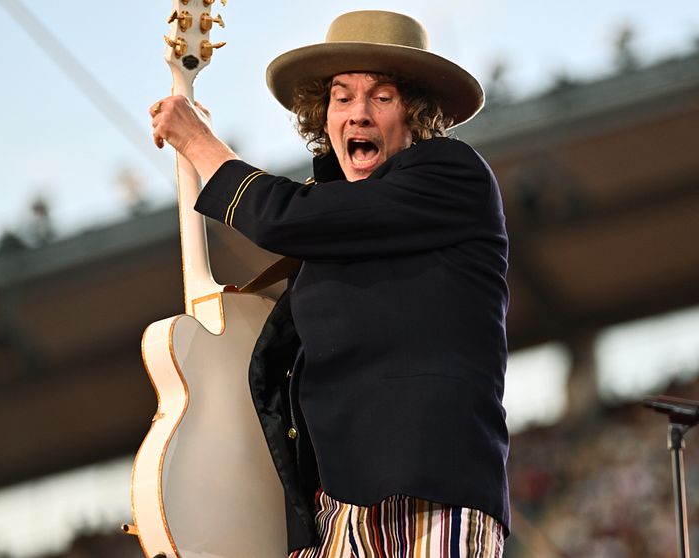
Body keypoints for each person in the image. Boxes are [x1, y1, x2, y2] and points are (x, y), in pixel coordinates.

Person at [150, 10, 510, 557]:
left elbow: (282, 217)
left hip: (434, 488)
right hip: (338, 504)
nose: (358, 114)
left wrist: (201, 146)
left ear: (416, 113)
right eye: (342, 98)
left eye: (382, 97)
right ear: (324, 115)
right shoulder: (330, 235)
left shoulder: (452, 173)